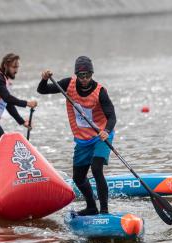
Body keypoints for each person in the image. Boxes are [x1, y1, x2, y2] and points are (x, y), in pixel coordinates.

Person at [37, 56, 116, 216]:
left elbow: (112, 116)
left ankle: (105, 212)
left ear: (92, 73)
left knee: (96, 169)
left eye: (88, 75)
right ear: (76, 75)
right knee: (78, 178)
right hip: (82, 140)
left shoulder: (100, 91)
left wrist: (106, 131)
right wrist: (44, 79)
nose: (85, 79)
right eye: (81, 76)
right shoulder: (68, 84)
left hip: (100, 136)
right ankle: (91, 207)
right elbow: (42, 90)